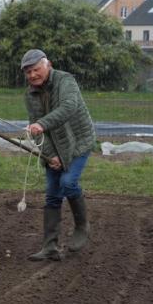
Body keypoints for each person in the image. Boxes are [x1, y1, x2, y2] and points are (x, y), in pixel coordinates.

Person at [22, 49, 96, 261]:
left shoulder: (66, 81)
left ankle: (82, 226)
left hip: (78, 143)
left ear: (48, 65)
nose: (32, 75)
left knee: (68, 183)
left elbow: (68, 107)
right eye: (28, 72)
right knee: (53, 194)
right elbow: (35, 131)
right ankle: (50, 247)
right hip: (54, 149)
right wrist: (50, 156)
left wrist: (41, 124)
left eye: (35, 70)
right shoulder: (30, 94)